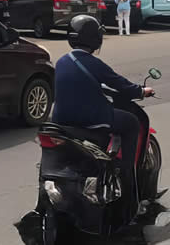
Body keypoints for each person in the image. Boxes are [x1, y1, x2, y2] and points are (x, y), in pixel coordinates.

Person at [52, 16, 154, 204]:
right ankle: (127, 176)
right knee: (131, 122)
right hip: (90, 119)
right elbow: (121, 84)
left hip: (60, 121)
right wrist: (141, 91)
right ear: (95, 39)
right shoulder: (93, 63)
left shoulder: (61, 62)